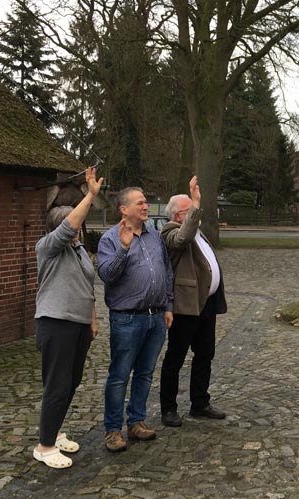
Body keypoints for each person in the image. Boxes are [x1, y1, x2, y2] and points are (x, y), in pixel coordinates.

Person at [33, 167, 103, 469]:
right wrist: (90, 195)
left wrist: (92, 320)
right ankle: (45, 446)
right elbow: (67, 227)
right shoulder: (48, 247)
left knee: (71, 382)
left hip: (79, 323)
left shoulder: (79, 250)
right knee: (57, 384)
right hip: (56, 322)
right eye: (71, 224)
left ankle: (55, 431)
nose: (76, 229)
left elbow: (87, 286)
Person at [98, 186, 174, 452]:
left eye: (145, 202)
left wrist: (168, 305)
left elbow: (166, 272)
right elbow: (107, 275)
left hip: (156, 318)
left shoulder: (155, 237)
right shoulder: (110, 239)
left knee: (145, 373)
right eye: (140, 203)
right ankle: (113, 430)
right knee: (119, 376)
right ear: (124, 209)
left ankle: (136, 421)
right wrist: (124, 248)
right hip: (127, 319)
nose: (145, 206)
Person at [159, 176, 228, 428]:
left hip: (206, 304)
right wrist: (196, 204)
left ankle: (200, 403)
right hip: (185, 306)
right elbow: (182, 240)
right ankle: (168, 408)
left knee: (205, 354)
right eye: (191, 211)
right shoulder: (170, 231)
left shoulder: (198, 233)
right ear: (179, 216)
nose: (197, 214)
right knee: (175, 358)